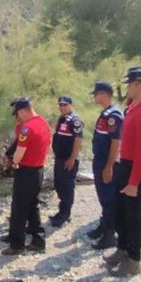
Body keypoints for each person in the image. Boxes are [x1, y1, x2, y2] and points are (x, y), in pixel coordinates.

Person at [104, 67, 141, 277]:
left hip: (136, 168)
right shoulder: (133, 106)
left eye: (129, 84)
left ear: (139, 85)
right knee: (120, 212)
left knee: (133, 216)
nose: (127, 87)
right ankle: (123, 248)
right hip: (124, 166)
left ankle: (134, 258)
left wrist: (134, 182)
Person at [2, 97, 51, 255]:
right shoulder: (43, 123)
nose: (18, 117)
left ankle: (16, 245)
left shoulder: (26, 129)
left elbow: (18, 155)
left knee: (19, 209)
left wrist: (14, 162)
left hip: (26, 171)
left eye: (18, 113)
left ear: (23, 111)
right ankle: (38, 240)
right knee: (32, 205)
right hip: (38, 170)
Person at [86, 82, 124, 249]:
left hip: (107, 161)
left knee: (109, 198)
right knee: (103, 197)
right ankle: (104, 226)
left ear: (105, 94)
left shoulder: (113, 116)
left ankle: (110, 235)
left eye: (96, 94)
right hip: (100, 160)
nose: (94, 97)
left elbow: (116, 142)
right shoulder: (106, 114)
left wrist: (109, 166)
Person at [49, 95, 83, 227]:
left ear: (70, 105)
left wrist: (72, 159)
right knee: (59, 184)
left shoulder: (74, 121)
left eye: (65, 105)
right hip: (59, 158)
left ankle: (65, 213)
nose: (62, 107)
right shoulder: (62, 119)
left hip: (68, 160)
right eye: (60, 105)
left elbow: (78, 140)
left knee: (67, 187)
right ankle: (62, 211)